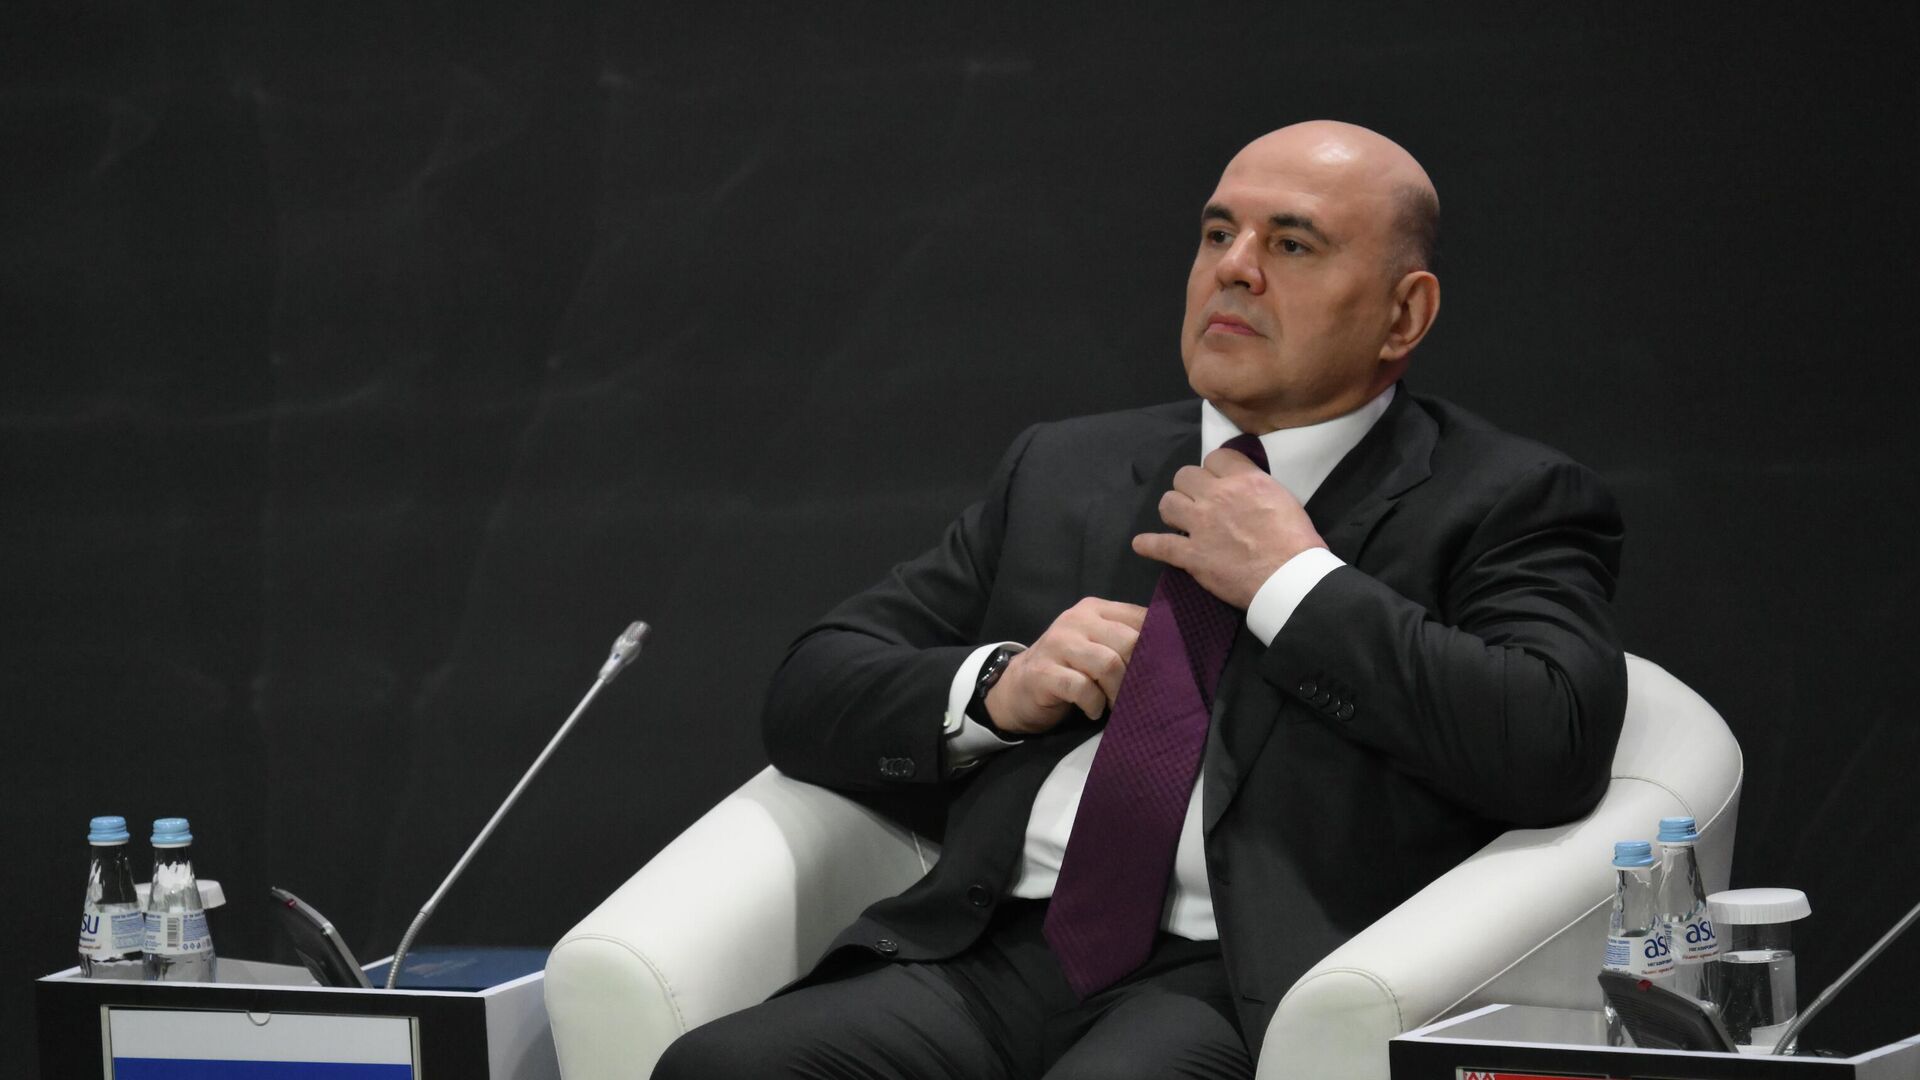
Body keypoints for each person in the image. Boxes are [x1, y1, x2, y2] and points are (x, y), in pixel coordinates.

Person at [653, 120, 1627, 1079]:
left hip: (1242, 983)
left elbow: (1551, 742)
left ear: (1403, 315)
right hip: (989, 951)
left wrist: (1293, 582)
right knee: (720, 1068)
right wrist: (997, 687)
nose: (1234, 268)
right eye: (1218, 233)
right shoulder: (1065, 468)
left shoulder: (1504, 499)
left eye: (1291, 244)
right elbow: (811, 689)